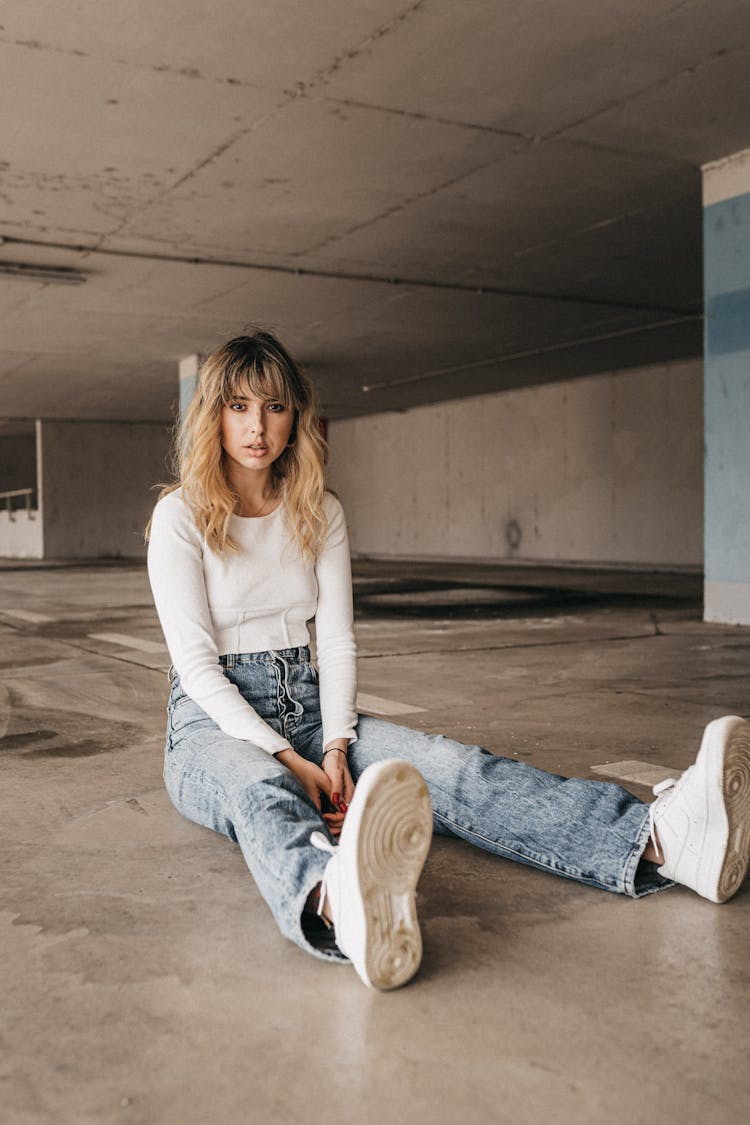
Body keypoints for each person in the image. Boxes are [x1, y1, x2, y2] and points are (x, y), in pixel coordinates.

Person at [146, 331, 750, 992]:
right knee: (260, 791)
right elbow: (199, 669)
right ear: (214, 415)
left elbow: (339, 641)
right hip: (209, 723)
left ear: (297, 417)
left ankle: (661, 837)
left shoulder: (319, 509)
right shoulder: (180, 516)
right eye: (238, 406)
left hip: (313, 705)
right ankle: (337, 900)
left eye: (273, 407)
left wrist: (338, 748)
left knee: (451, 766)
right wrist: (291, 762)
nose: (257, 426)